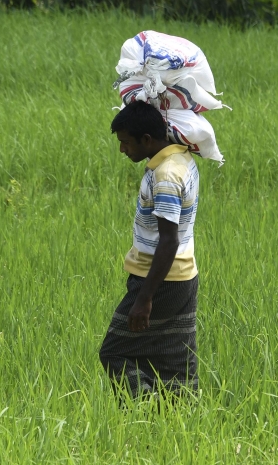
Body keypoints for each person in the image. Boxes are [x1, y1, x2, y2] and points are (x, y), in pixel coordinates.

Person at [99, 101, 200, 397]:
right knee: (172, 360)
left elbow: (168, 240)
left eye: (125, 142)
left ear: (147, 140)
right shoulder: (183, 159)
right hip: (182, 276)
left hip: (160, 279)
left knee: (114, 352)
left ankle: (144, 410)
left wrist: (144, 298)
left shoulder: (166, 176)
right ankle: (177, 426)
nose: (122, 150)